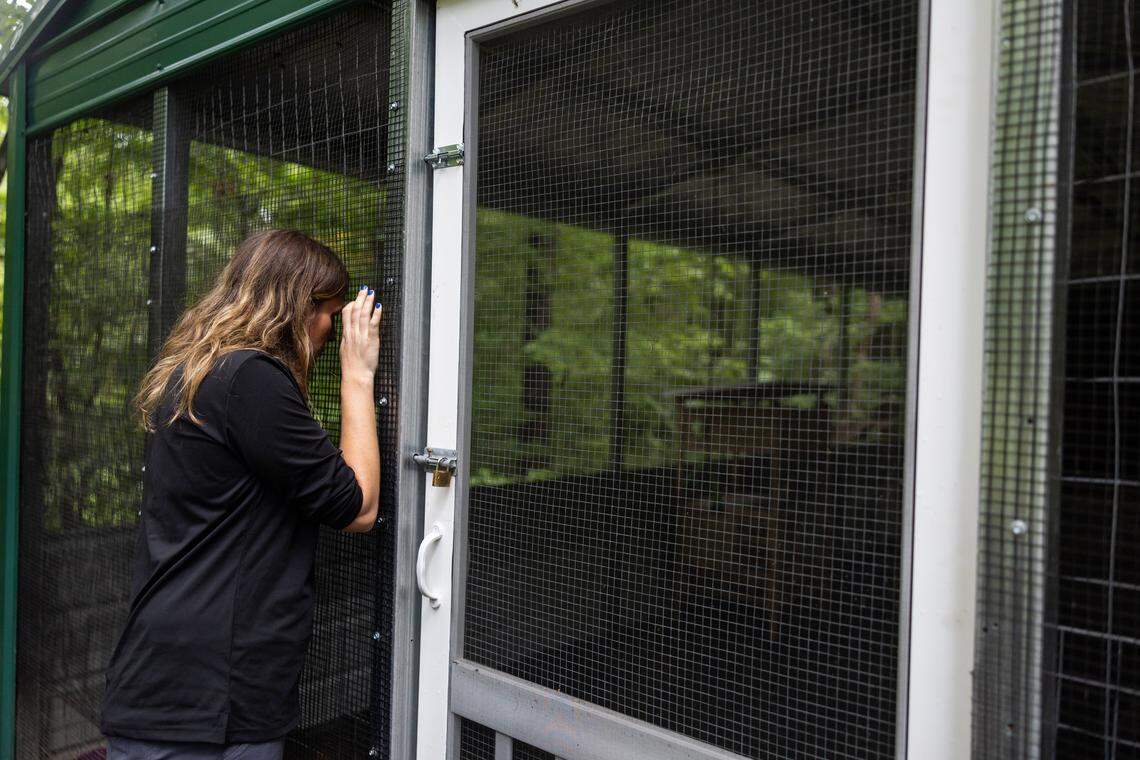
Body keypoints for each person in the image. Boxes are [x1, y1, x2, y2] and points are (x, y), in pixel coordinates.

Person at [99, 230, 382, 760]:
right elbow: (358, 507)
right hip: (208, 698)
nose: (332, 329)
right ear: (300, 305)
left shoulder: (198, 371)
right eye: (331, 312)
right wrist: (358, 374)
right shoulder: (251, 378)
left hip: (170, 681)